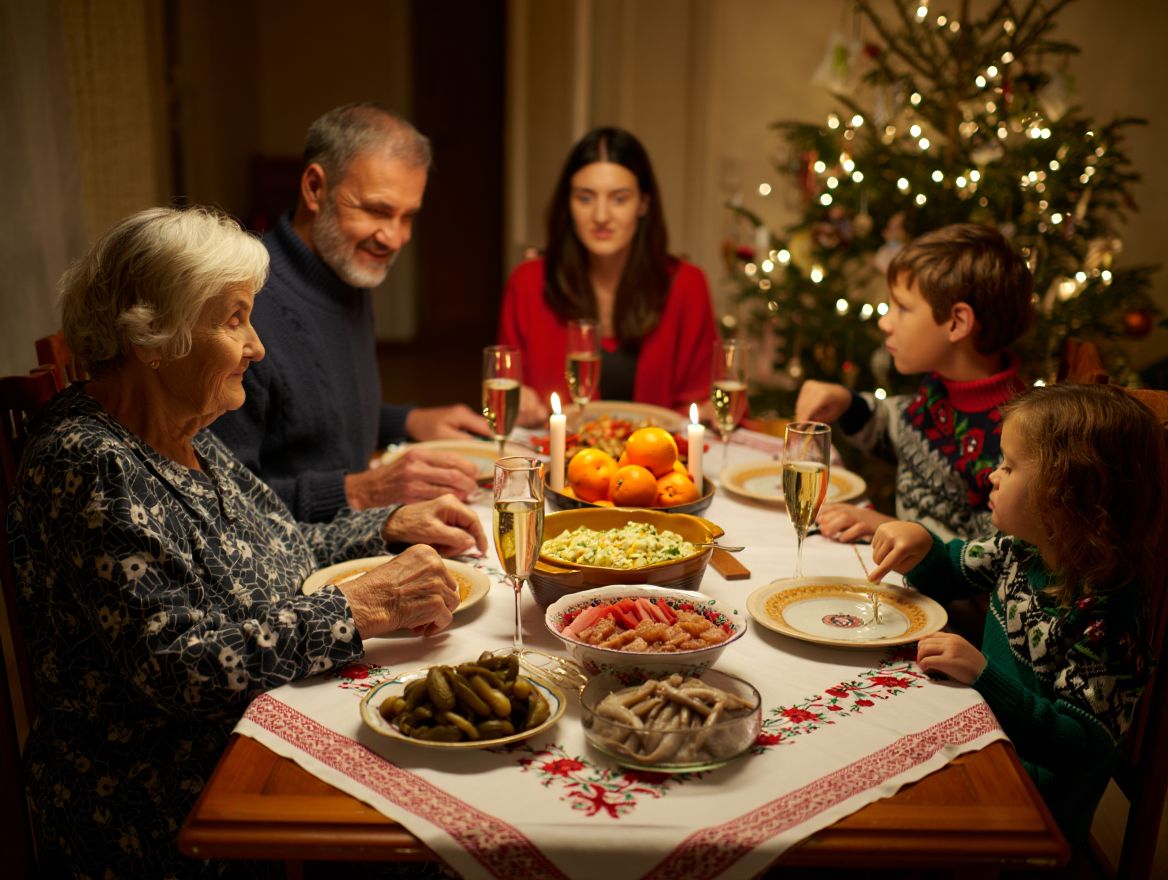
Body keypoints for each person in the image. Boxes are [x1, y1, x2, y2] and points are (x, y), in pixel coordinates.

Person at [8, 206, 487, 878]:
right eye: (234, 318)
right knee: (445, 821)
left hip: (255, 730)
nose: (258, 347)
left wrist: (384, 526)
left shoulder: (181, 427)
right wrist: (361, 608)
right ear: (154, 336)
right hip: (174, 802)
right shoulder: (90, 462)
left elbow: (277, 546)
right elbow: (184, 667)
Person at [865, 382, 1166, 845]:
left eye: (1009, 465)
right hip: (983, 739)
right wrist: (921, 544)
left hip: (1028, 805)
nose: (993, 475)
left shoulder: (1109, 611)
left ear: (1069, 492)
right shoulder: (1022, 549)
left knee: (884, 827)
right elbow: (950, 570)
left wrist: (984, 676)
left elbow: (1080, 745)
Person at [211, 103, 491, 523]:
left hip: (353, 530)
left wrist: (408, 420)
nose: (394, 237)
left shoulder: (343, 271)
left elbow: (314, 420)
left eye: (408, 216)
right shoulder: (242, 308)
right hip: (291, 560)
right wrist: (362, 490)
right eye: (377, 211)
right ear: (314, 188)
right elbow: (220, 504)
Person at [795, 222, 1032, 542]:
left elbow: (994, 563)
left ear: (957, 322)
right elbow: (898, 431)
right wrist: (846, 402)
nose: (884, 321)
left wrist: (885, 526)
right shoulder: (940, 388)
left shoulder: (1014, 439)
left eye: (903, 308)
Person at [497, 127, 718, 426]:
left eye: (619, 199)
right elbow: (505, 392)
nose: (601, 216)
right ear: (568, 204)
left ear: (643, 204)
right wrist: (519, 403)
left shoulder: (687, 285)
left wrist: (705, 411)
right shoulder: (528, 283)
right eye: (585, 198)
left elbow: (702, 400)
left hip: (659, 463)